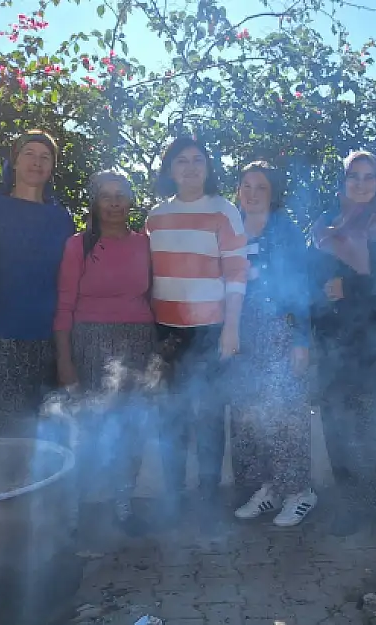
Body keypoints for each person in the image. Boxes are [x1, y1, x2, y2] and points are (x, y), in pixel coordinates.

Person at [145, 136, 248, 527]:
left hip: (210, 331)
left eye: (198, 160)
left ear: (208, 167)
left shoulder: (224, 211)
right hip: (166, 333)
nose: (190, 167)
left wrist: (231, 330)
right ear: (170, 169)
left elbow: (237, 274)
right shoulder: (155, 216)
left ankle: (206, 496)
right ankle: (173, 496)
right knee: (170, 416)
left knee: (207, 415)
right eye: (182, 161)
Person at [310, 150, 376, 536]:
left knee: (371, 421)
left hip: (375, 339)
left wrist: (349, 286)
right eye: (354, 176)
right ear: (342, 181)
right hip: (331, 340)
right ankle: (352, 503)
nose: (361, 184)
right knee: (336, 422)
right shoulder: (324, 226)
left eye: (370, 177)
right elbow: (309, 276)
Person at [54, 171, 155, 536]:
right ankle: (80, 509)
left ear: (131, 200)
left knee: (131, 424)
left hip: (138, 342)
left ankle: (123, 504)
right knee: (91, 426)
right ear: (94, 202)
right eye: (106, 196)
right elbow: (64, 305)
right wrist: (65, 360)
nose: (114, 203)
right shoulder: (77, 245)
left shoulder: (145, 244)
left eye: (121, 195)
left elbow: (154, 296)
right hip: (90, 342)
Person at [0, 130, 75, 437]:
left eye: (45, 157)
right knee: (1, 436)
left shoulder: (61, 218)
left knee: (45, 435)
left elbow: (68, 279)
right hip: (0, 338)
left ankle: (42, 487)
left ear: (52, 167)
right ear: (14, 160)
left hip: (48, 340)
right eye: (29, 154)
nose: (36, 163)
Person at [227, 161, 316, 528]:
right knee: (251, 415)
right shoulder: (231, 228)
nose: (251, 193)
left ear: (272, 193)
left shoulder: (287, 230)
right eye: (246, 185)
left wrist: (301, 340)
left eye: (260, 187)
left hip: (281, 331)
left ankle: (300, 492)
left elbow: (302, 289)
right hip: (242, 334)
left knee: (285, 414)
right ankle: (269, 488)